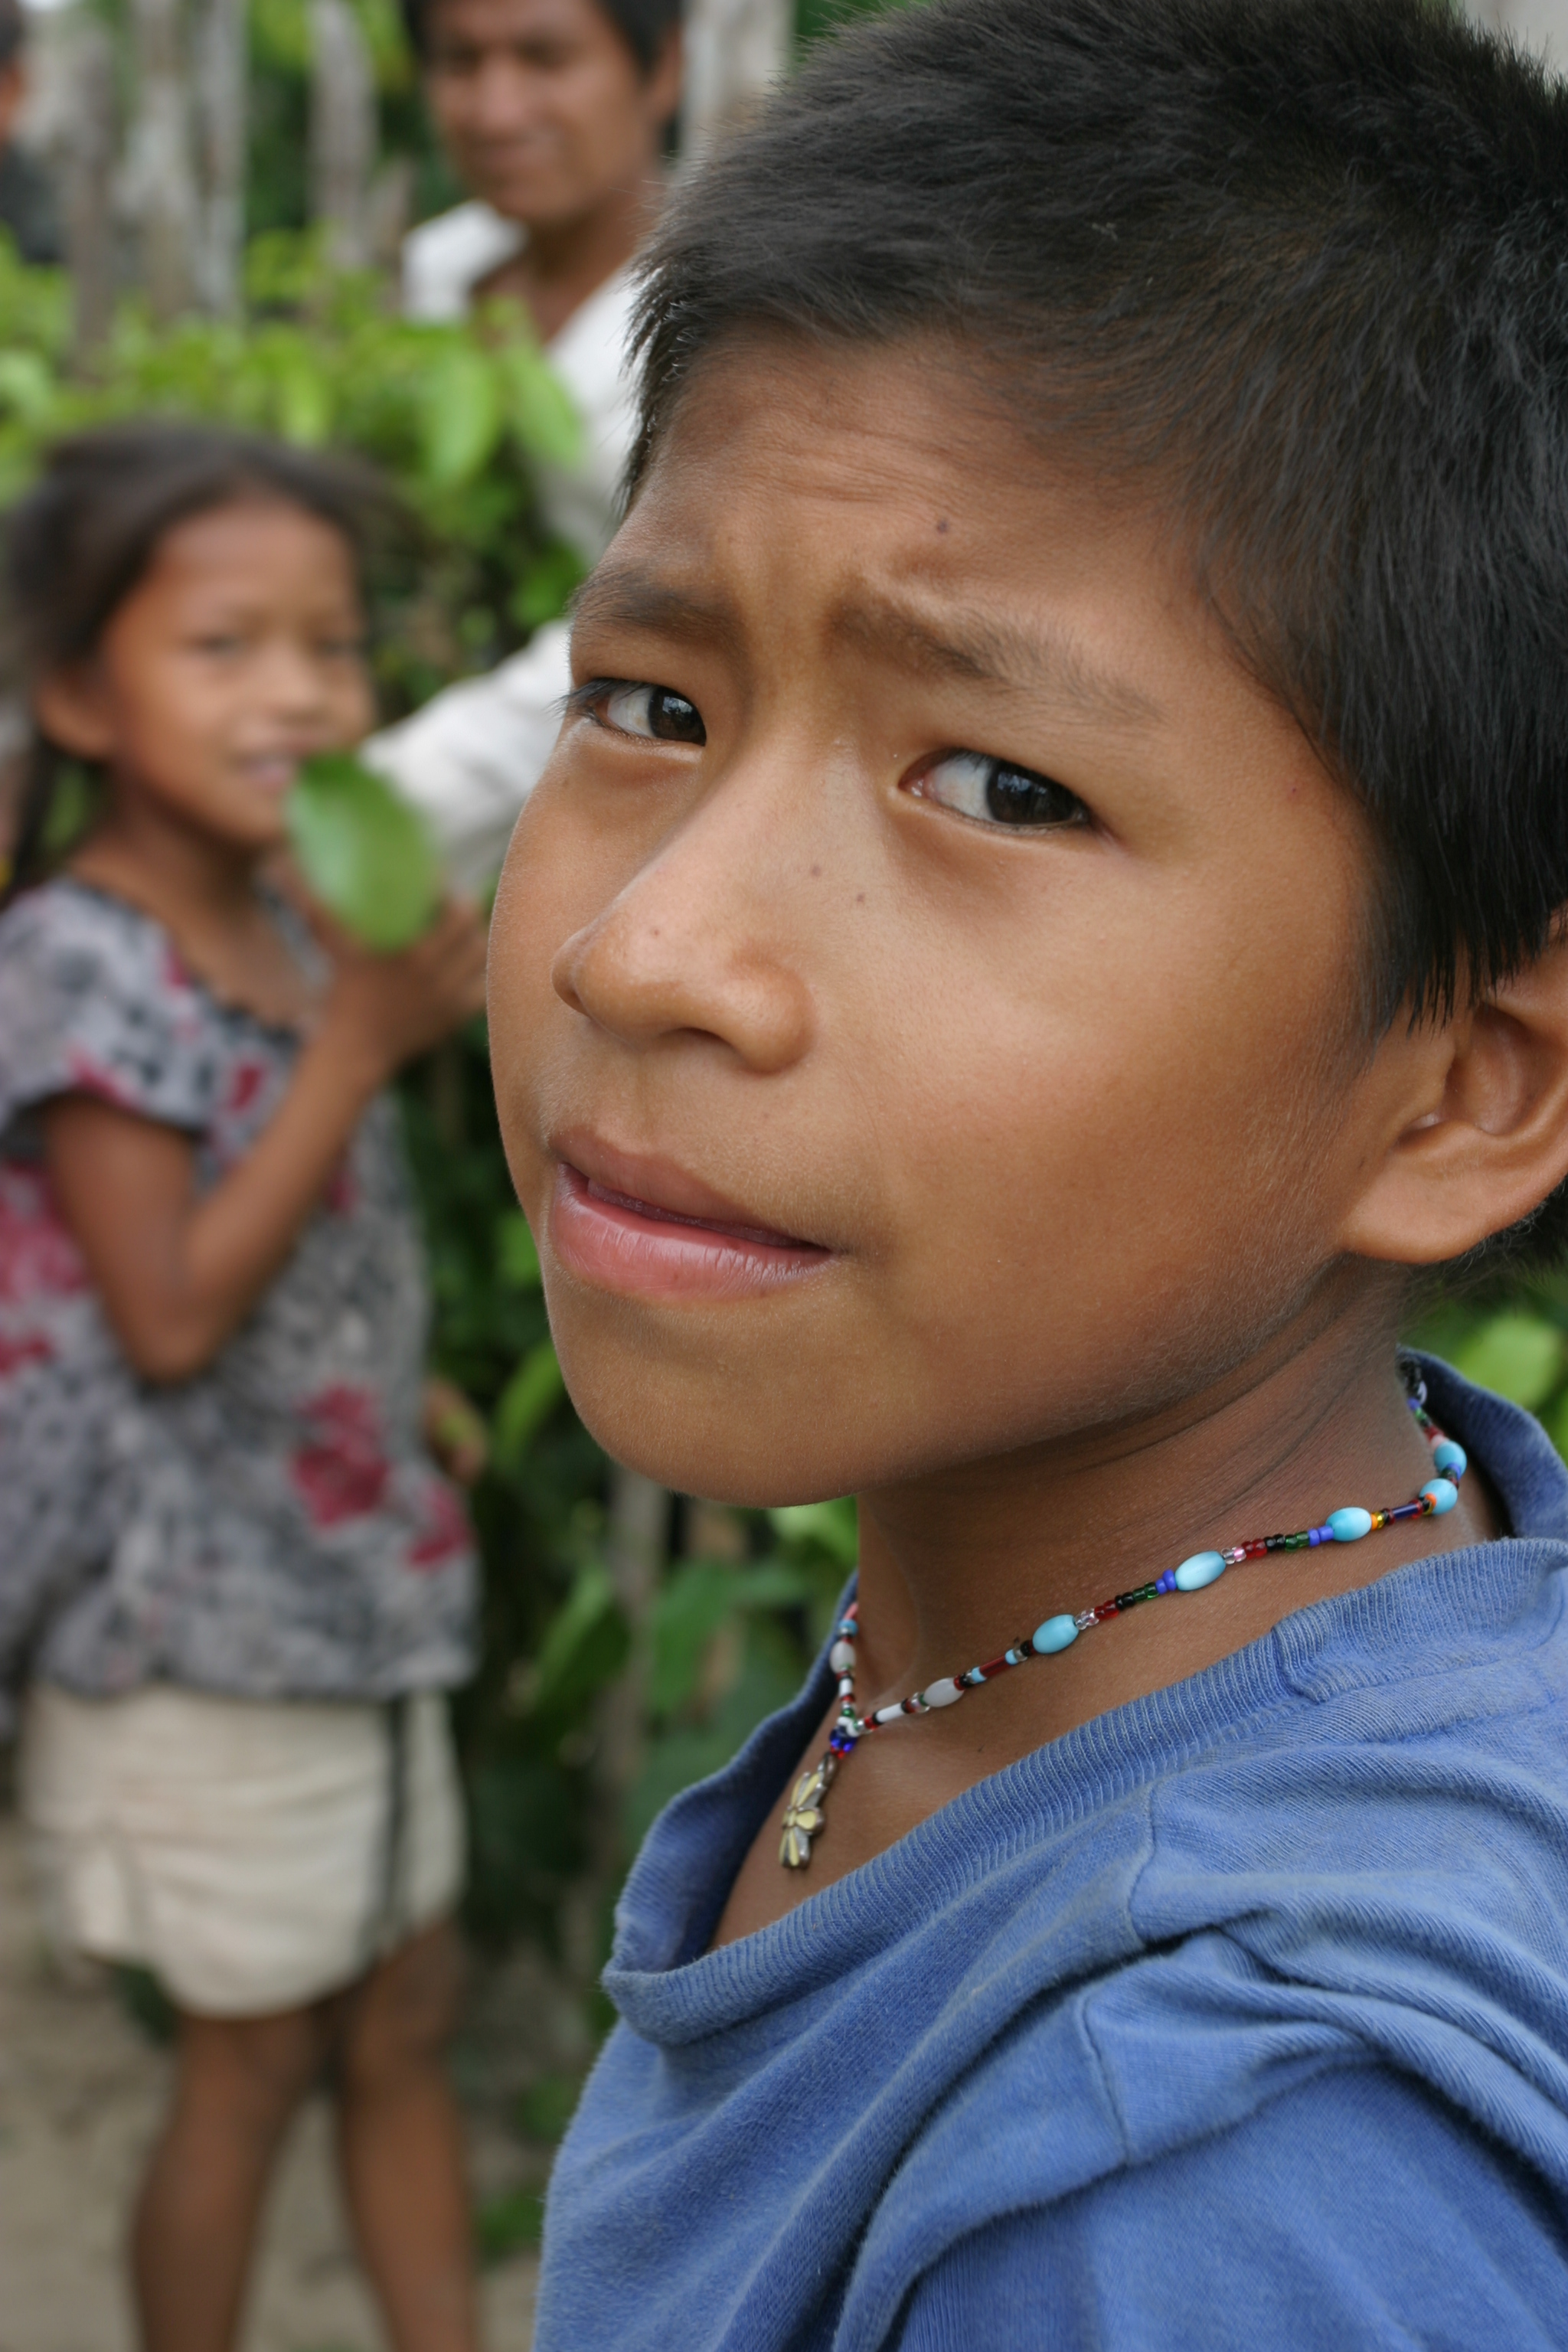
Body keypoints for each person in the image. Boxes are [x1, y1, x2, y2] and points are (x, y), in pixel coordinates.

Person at [482, 0, 1568, 2342]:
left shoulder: (1187, 2178)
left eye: (990, 787)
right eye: (649, 706)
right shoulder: (1244, 1606)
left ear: (1459, 1086)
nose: (647, 946)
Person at [0, 423, 490, 2352]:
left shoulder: (299, 914)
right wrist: (362, 1047)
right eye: (225, 645)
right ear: (76, 694)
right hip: (201, 1628)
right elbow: (176, 1313)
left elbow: (323, 1259)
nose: (298, 690)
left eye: (331, 643)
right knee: (252, 2055)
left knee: (406, 2011)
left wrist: (406, 1391)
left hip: (352, 1580)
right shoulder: (75, 965)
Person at [366, 0, 683, 891]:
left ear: (661, 71)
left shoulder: (718, 333)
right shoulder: (441, 272)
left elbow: (643, 629)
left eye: (545, 58)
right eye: (460, 63)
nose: (496, 110)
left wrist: (383, 800)